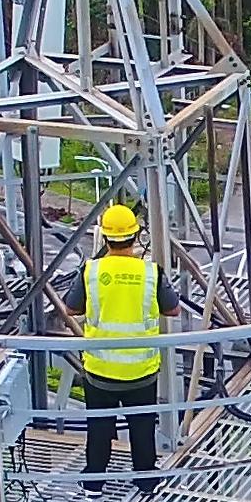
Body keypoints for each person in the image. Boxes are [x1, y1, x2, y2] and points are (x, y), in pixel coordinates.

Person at [63, 202, 180, 478]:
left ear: (104, 237)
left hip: (100, 371)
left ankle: (94, 481)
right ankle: (146, 480)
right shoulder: (151, 273)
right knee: (142, 428)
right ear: (136, 234)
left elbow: (71, 308)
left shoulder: (90, 272)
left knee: (100, 428)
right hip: (141, 371)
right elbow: (173, 309)